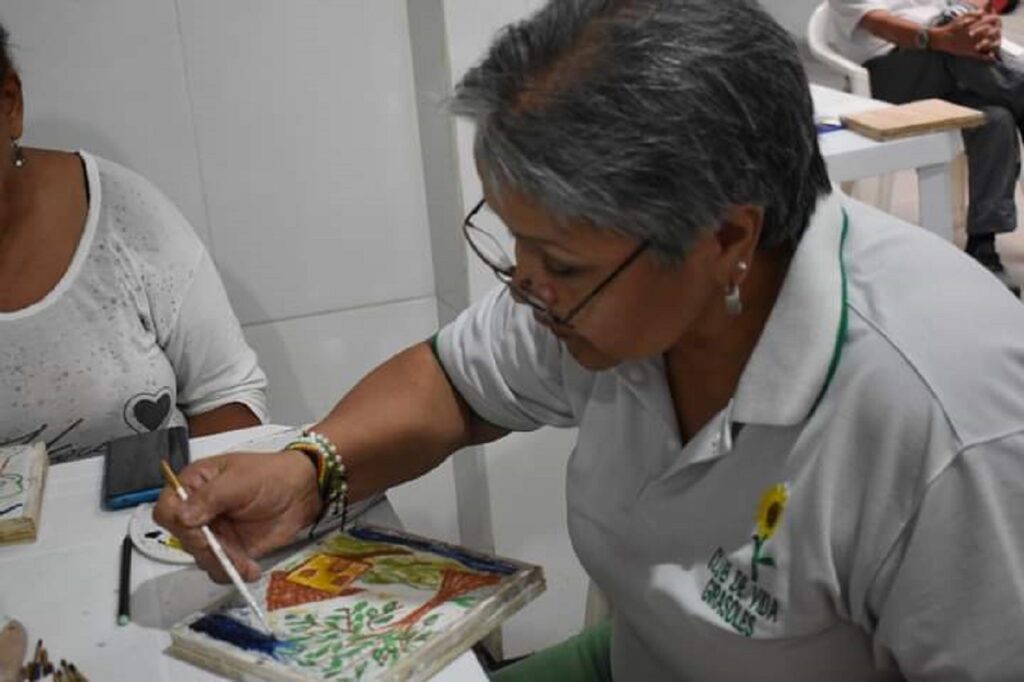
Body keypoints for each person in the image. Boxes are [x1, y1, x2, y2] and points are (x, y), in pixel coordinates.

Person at [156, 0, 1024, 679]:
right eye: (516, 244)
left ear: (727, 238)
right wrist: (308, 472)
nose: (525, 290)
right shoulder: (604, 302)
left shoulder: (947, 427)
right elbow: (454, 384)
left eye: (560, 265)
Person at [0, 24, 268, 463]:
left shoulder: (123, 216)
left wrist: (198, 510)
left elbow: (227, 396)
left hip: (158, 521)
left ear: (10, 104)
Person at [828, 0, 1024, 287]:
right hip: (888, 75)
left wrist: (985, 26)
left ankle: (982, 245)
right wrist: (938, 38)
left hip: (954, 68)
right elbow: (882, 24)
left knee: (996, 119)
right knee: (951, 52)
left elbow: (960, 9)